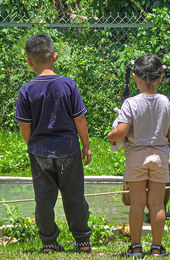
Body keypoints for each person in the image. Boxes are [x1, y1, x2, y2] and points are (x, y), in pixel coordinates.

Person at [14, 34, 92, 253]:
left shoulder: (26, 90)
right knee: (74, 197)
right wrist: (85, 145)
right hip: (68, 150)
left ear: (29, 62)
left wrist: (33, 145)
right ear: (55, 57)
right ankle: (82, 242)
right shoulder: (68, 85)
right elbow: (80, 119)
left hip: (40, 153)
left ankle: (48, 243)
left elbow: (24, 126)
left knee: (44, 200)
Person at [107, 54, 170, 257]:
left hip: (136, 158)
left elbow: (121, 132)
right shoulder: (168, 102)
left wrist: (111, 136)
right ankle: (156, 248)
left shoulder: (130, 103)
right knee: (157, 204)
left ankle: (136, 247)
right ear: (160, 78)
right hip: (159, 157)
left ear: (136, 77)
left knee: (137, 203)